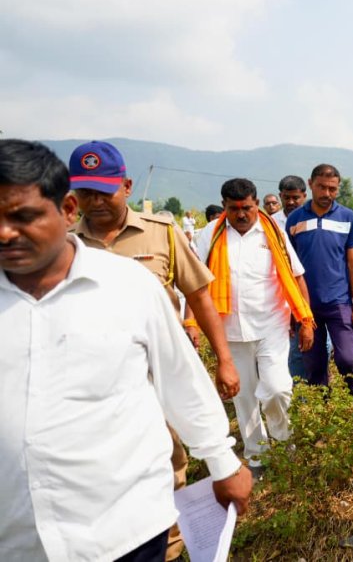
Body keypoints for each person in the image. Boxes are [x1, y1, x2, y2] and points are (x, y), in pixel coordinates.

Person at [0, 139, 252, 561]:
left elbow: (181, 374)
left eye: (22, 217)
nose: (5, 233)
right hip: (18, 536)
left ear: (63, 210)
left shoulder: (130, 283)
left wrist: (221, 459)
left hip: (123, 525)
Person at [68, 140, 239, 561]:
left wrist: (225, 360)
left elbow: (200, 297)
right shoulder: (64, 242)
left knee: (165, 459)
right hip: (89, 378)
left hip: (157, 373)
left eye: (104, 191)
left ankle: (168, 545)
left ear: (125, 186)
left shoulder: (161, 233)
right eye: (85, 192)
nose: (96, 201)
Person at [196, 178, 314, 478]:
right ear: (224, 206)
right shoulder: (209, 234)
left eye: (247, 207)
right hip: (229, 328)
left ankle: (284, 440)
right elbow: (195, 284)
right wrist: (192, 323)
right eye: (234, 209)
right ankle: (257, 456)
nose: (241, 214)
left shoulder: (272, 231)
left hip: (272, 324)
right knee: (244, 395)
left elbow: (296, 275)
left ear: (256, 204)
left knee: (277, 389)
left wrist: (306, 320)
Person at [286, 164, 353, 394]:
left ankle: (350, 397)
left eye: (332, 189)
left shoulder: (348, 217)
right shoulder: (295, 219)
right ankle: (322, 410)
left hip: (339, 302)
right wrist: (292, 308)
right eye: (321, 187)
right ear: (310, 184)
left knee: (349, 359)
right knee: (314, 365)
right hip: (306, 306)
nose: (326, 194)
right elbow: (289, 266)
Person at [273, 174, 308, 378]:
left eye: (296, 197)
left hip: (306, 286)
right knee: (287, 344)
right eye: (287, 198)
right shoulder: (271, 223)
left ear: (304, 195)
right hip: (280, 292)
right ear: (281, 197)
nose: (292, 202)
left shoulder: (311, 217)